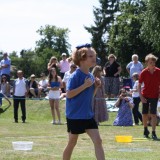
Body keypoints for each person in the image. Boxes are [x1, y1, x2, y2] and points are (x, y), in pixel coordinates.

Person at [63, 43, 105, 160]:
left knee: (98, 141)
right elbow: (69, 94)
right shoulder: (75, 76)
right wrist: (85, 85)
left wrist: (96, 87)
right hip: (75, 116)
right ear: (82, 59)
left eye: (94, 55)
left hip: (88, 115)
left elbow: (90, 95)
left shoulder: (91, 77)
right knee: (72, 143)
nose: (94, 58)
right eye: (91, 56)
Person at [138, 53, 160, 140]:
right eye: (151, 62)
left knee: (154, 114)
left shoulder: (158, 71)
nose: (153, 64)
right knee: (145, 114)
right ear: (147, 63)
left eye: (154, 62)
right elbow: (139, 85)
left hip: (155, 95)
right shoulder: (143, 72)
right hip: (145, 95)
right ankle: (145, 130)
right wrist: (141, 96)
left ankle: (154, 132)